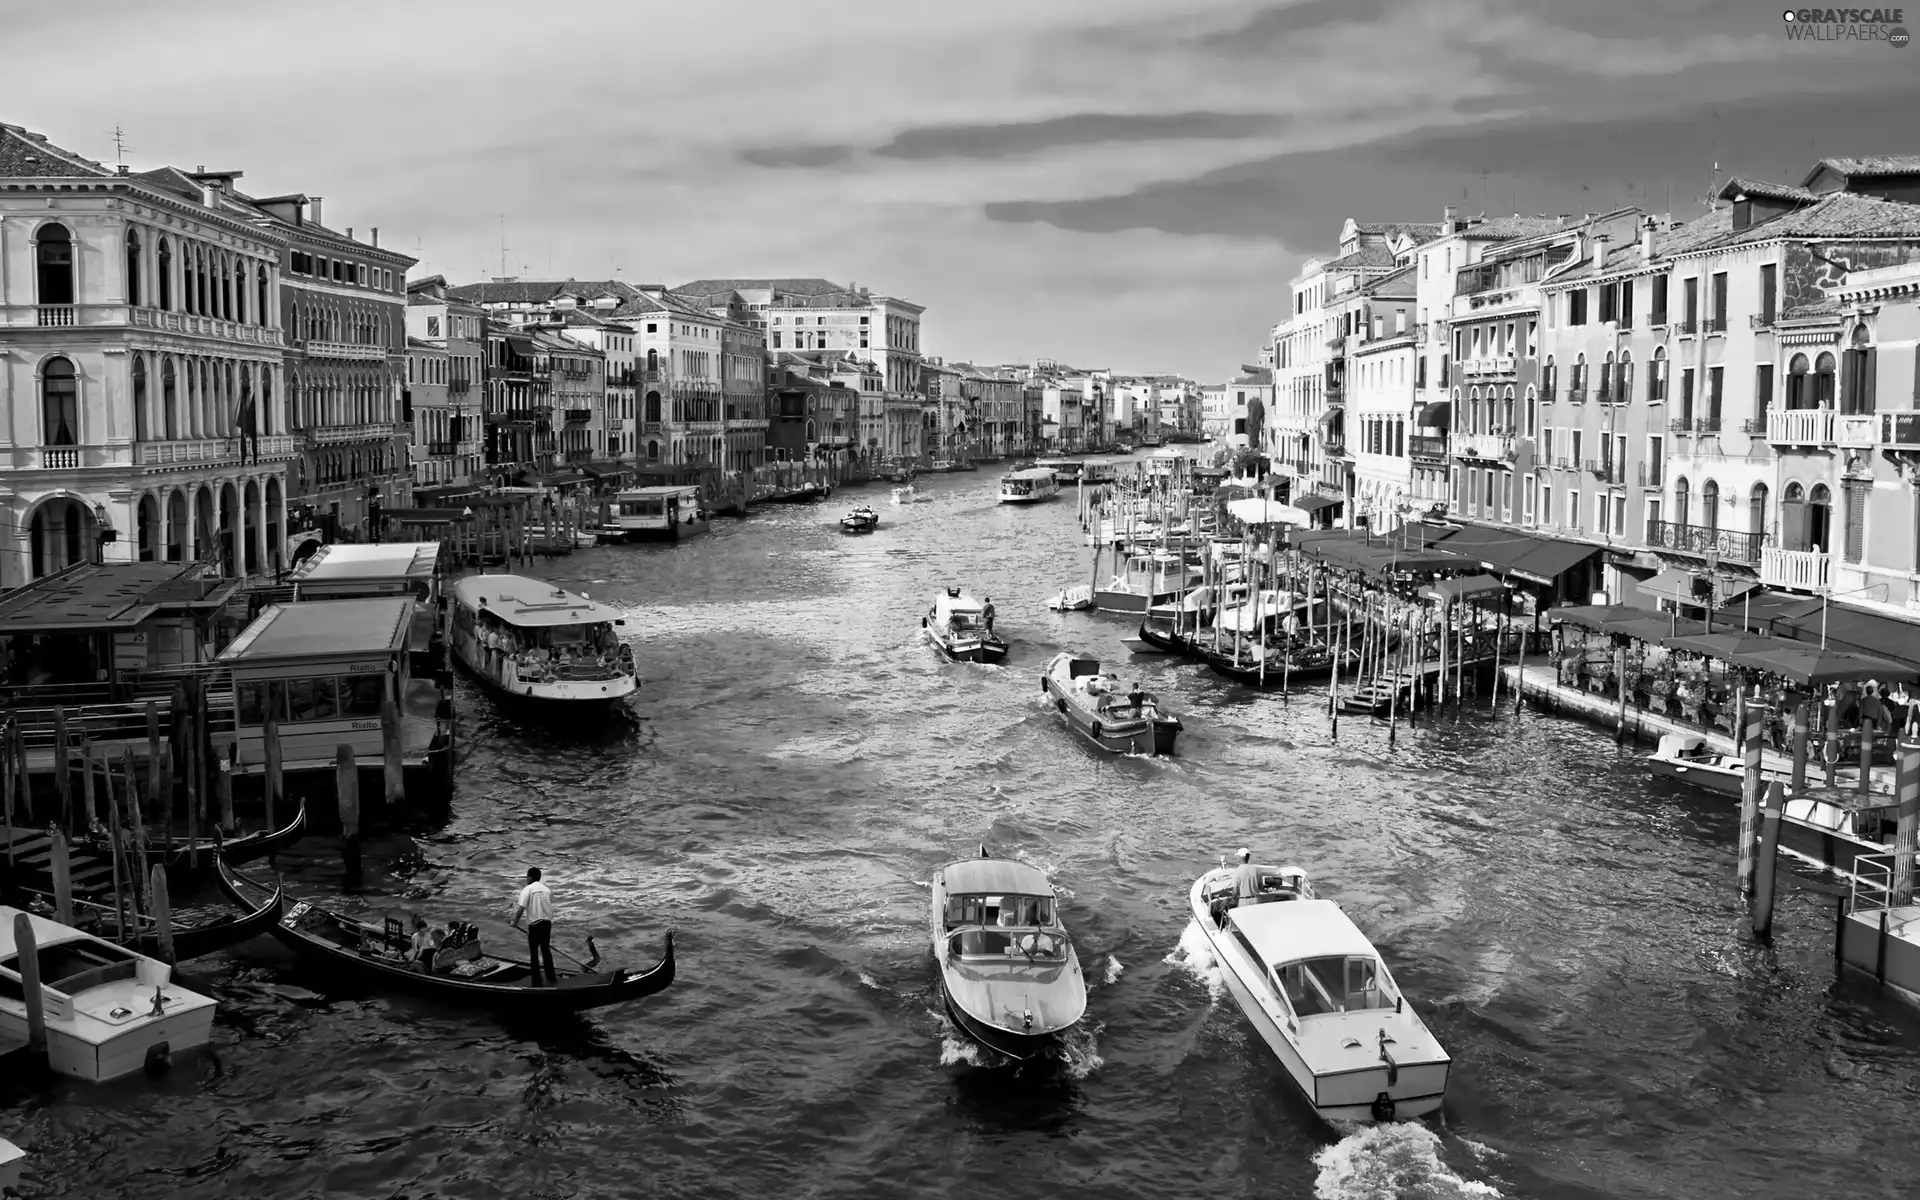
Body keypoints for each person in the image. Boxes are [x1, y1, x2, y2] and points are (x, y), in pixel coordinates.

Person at [511, 867, 557, 986]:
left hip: (535, 924)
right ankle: (552, 977)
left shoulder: (528, 889)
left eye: (527, 877)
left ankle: (537, 982)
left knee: (534, 953)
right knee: (546, 950)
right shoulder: (547, 890)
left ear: (530, 877)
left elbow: (521, 908)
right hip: (547, 923)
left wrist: (514, 923)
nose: (526, 879)